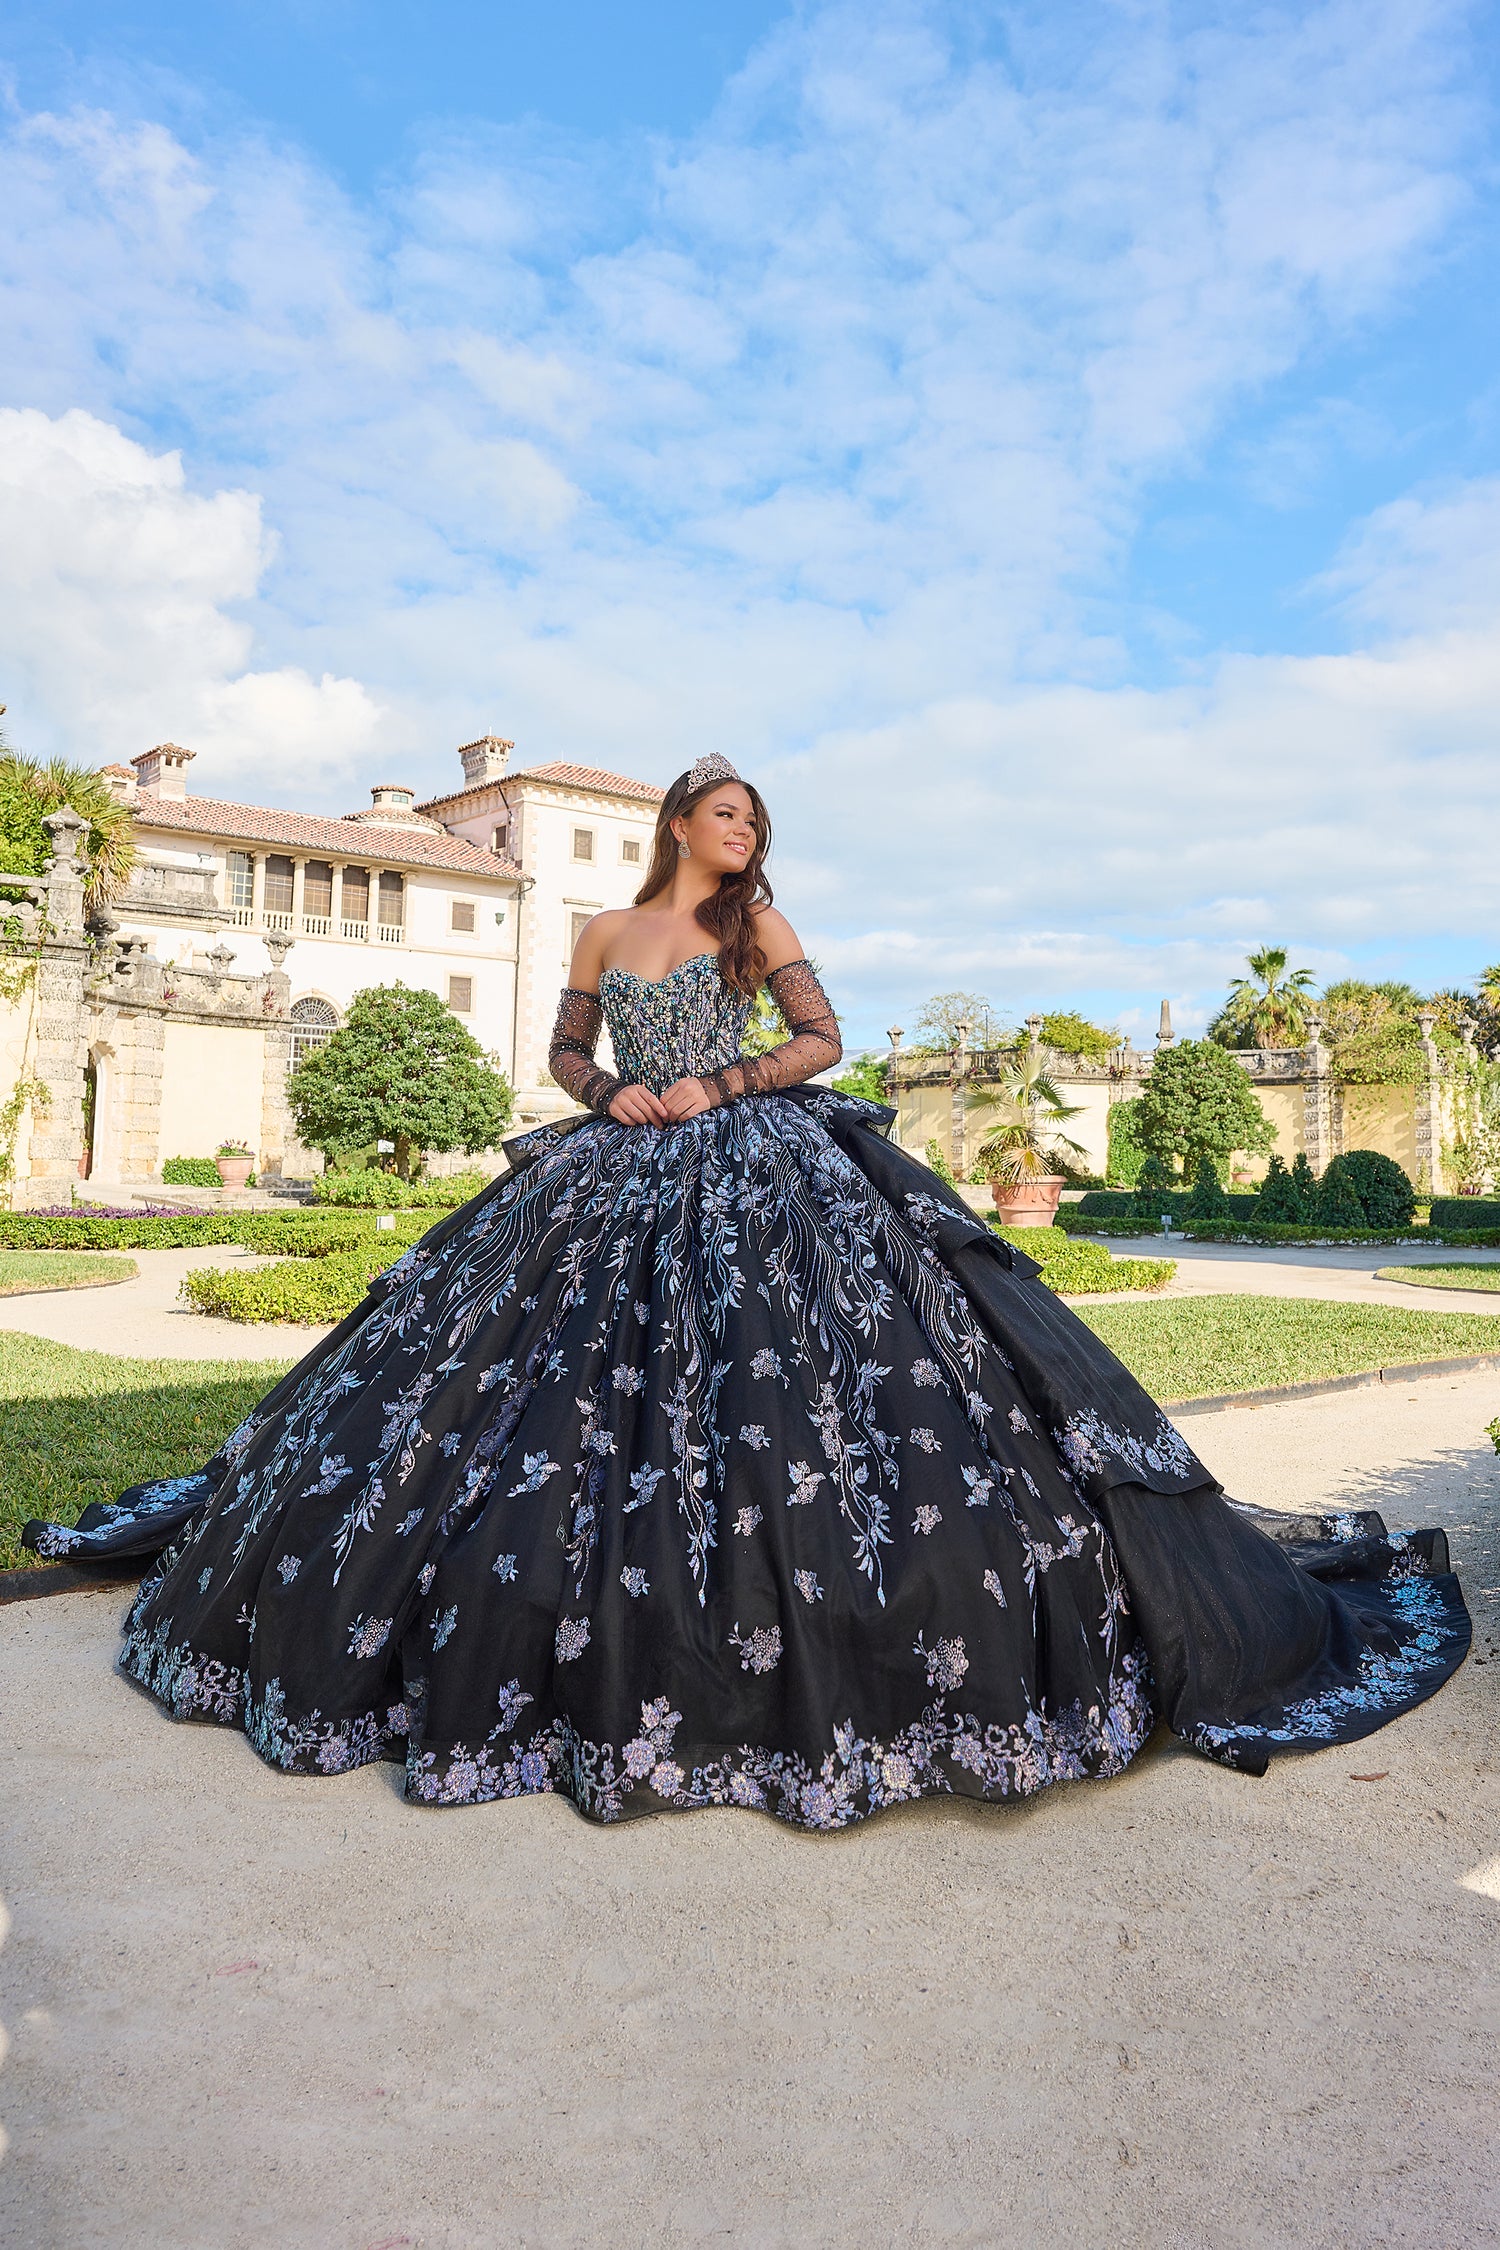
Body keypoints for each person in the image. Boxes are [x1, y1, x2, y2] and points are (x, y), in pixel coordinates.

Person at [25, 755, 1470, 1825]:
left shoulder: (755, 933)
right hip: (614, 1161)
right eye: (729, 817)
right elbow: (564, 1059)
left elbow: (824, 1039)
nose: (746, 835)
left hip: (761, 1161)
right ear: (678, 821)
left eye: (757, 823)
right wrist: (614, 1095)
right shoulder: (600, 929)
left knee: (800, 1390)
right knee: (504, 1389)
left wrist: (711, 1082)